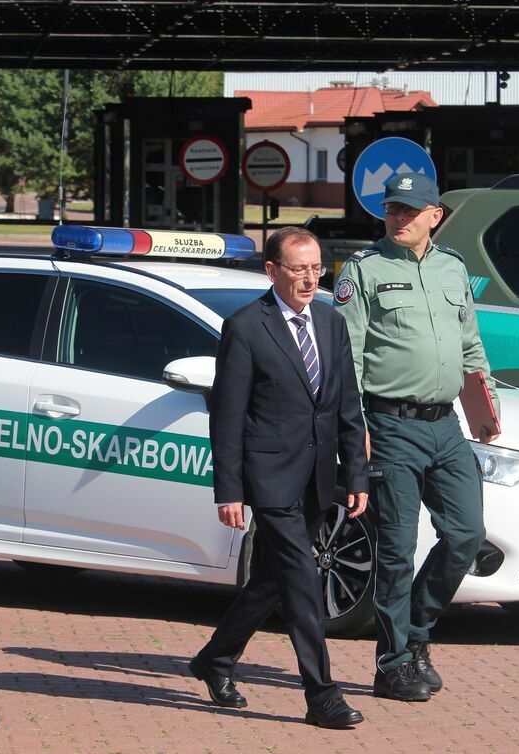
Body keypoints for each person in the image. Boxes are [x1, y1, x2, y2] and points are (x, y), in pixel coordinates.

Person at [189, 226, 368, 730]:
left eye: (316, 269)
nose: (310, 279)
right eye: (299, 269)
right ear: (272, 271)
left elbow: (346, 405)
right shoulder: (246, 327)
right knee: (301, 579)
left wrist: (355, 473)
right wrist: (228, 490)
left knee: (270, 581)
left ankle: (215, 659)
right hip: (268, 478)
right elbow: (227, 415)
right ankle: (321, 694)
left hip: (316, 476)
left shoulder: (332, 324)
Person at [334, 172, 500, 702]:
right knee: (397, 551)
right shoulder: (362, 270)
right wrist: (352, 429)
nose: (399, 218)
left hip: (445, 426)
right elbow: (347, 359)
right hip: (389, 426)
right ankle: (393, 663)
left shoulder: (453, 268)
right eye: (392, 210)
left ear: (435, 216)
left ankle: (416, 634)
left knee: (466, 535)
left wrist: (485, 404)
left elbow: (470, 345)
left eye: (410, 210)